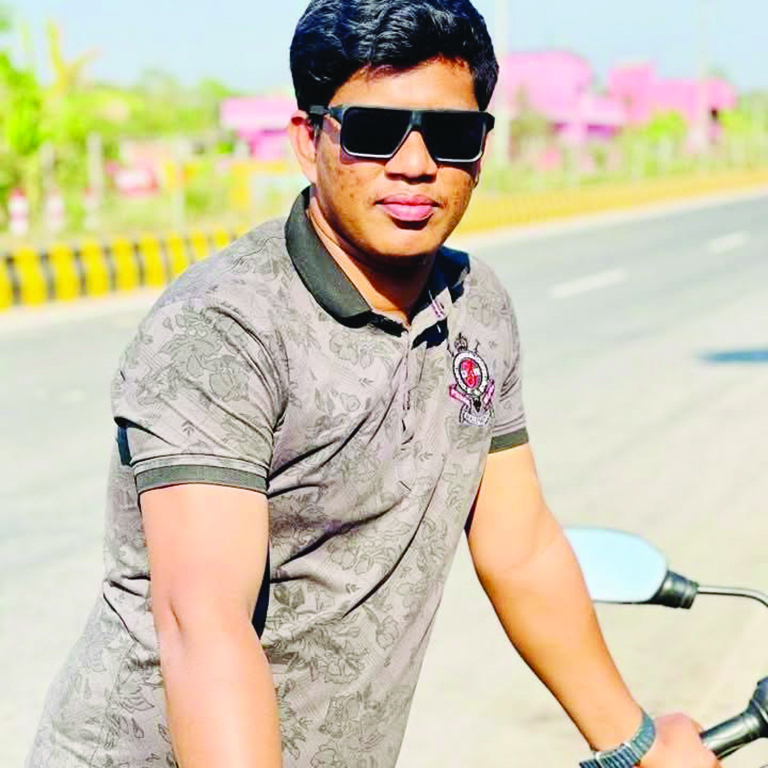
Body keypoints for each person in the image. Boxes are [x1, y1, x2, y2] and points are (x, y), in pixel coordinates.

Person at [27, 1, 721, 766]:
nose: (415, 163)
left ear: (482, 151)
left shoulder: (476, 307)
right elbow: (205, 625)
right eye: (374, 130)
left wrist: (637, 744)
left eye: (450, 135)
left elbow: (519, 547)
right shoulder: (223, 328)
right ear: (308, 140)